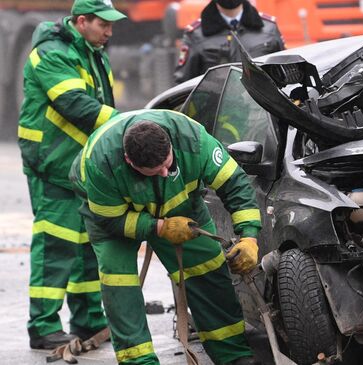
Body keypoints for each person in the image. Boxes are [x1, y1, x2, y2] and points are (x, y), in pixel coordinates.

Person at [69, 109, 262, 365]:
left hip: (181, 206)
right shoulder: (100, 164)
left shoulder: (193, 141)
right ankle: (139, 361)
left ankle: (233, 355)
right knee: (120, 282)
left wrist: (249, 237)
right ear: (129, 161)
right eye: (154, 169)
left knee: (207, 269)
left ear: (170, 144)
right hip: (114, 213)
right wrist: (159, 227)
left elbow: (235, 184)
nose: (163, 172)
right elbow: (111, 220)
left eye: (167, 164)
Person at [17, 0, 126, 350]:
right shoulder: (51, 53)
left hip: (79, 166)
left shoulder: (94, 51)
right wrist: (124, 123)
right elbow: (77, 105)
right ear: (82, 21)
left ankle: (88, 319)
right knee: (56, 247)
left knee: (85, 247)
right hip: (52, 164)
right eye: (103, 25)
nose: (110, 32)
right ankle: (44, 326)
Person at [174, 0, 285, 83]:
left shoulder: (269, 29)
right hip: (217, 110)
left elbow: (286, 74)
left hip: (262, 110)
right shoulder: (196, 35)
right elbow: (184, 84)